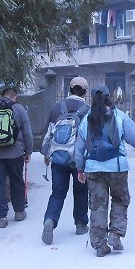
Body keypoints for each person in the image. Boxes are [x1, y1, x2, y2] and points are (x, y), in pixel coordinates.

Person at [74, 84, 135, 257]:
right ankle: (115, 234)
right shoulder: (119, 116)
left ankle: (100, 244)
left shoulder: (86, 119)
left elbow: (79, 148)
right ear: (109, 96)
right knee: (120, 199)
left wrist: (80, 169)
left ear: (91, 98)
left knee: (98, 205)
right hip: (117, 168)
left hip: (94, 169)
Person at [40, 76, 91, 244]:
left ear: (68, 90)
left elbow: (47, 133)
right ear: (85, 92)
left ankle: (50, 220)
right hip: (78, 161)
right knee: (81, 191)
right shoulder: (87, 110)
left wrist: (47, 155)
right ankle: (81, 223)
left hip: (58, 157)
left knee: (58, 192)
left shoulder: (56, 108)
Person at [0, 86, 33, 228]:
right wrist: (28, 151)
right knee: (17, 180)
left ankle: (1, 217)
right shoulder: (19, 109)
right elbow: (27, 133)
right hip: (15, 153)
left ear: (1, 96)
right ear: (14, 97)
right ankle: (19, 211)